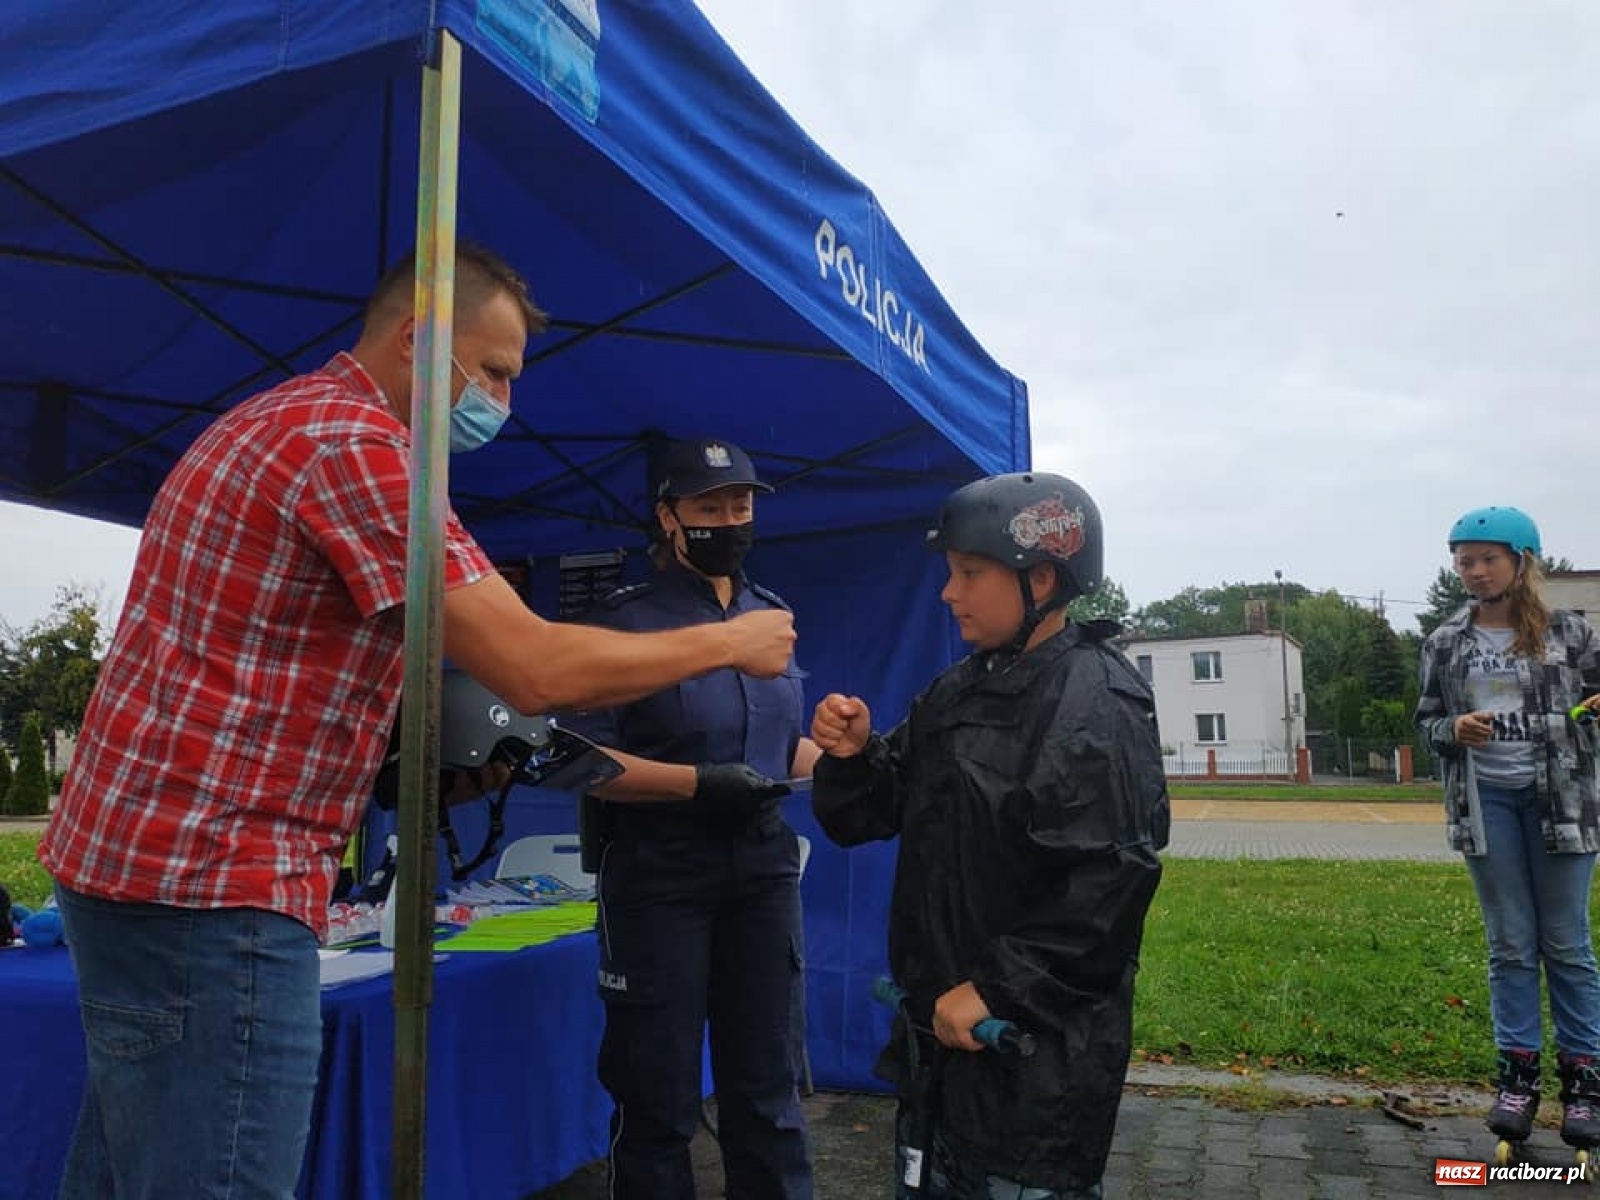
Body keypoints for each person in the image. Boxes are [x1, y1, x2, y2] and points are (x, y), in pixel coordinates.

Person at [36, 247, 796, 1200]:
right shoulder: (358, 450)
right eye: (492, 372)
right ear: (417, 337)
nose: (502, 404)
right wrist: (730, 644)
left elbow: (268, 653)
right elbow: (535, 664)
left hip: (138, 862)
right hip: (214, 878)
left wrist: (415, 756)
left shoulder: (271, 419)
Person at [808, 471, 1168, 1200]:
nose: (950, 593)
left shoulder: (1096, 700)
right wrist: (851, 759)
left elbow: (1105, 890)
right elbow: (867, 815)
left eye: (970, 574)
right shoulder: (958, 691)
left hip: (1034, 1057)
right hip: (939, 1051)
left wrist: (996, 991)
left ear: (1042, 577)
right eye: (950, 574)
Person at [563, 437, 817, 1200]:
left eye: (740, 505)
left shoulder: (771, 617)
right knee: (657, 1100)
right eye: (710, 506)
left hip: (763, 875)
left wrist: (842, 753)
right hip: (656, 879)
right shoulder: (623, 624)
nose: (731, 520)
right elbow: (581, 760)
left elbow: (785, 747)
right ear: (668, 517)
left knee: (769, 1091)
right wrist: (696, 785)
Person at [1415, 505, 1600, 1154]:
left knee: (1566, 944)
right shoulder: (1445, 642)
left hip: (1564, 806)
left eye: (1489, 558)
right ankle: (1517, 1082)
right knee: (1512, 946)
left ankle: (1585, 1084)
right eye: (1464, 560)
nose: (1475, 571)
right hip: (1486, 802)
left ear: (1523, 562)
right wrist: (1451, 731)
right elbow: (1427, 721)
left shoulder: (1570, 634)